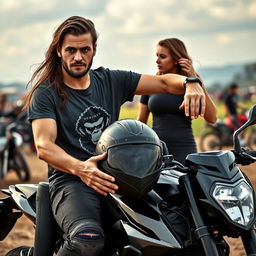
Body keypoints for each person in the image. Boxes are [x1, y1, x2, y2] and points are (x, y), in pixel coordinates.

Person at [24, 16, 206, 256]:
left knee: (179, 231)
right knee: (86, 240)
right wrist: (82, 169)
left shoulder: (111, 80)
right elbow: (44, 146)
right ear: (59, 50)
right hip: (73, 180)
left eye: (84, 49)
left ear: (94, 50)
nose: (78, 57)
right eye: (71, 50)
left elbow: (164, 84)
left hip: (121, 178)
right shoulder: (46, 93)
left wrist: (190, 82)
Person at [137, 38, 217, 164]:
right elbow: (140, 123)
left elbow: (212, 118)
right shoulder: (151, 84)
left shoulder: (191, 86)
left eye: (162, 56)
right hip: (157, 151)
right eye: (157, 56)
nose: (157, 61)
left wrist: (194, 79)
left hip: (184, 150)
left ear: (176, 60)